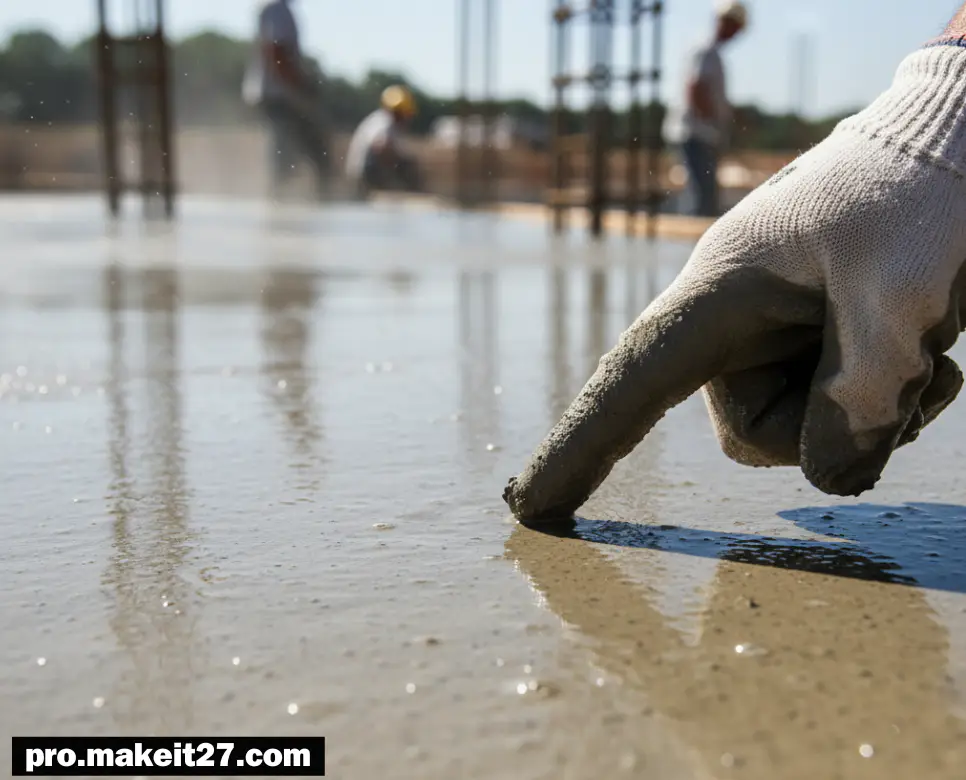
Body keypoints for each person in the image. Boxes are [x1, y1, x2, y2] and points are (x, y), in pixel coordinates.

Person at [504, 3, 966, 524]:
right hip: (702, 131)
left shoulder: (713, 54)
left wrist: (942, 123)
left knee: (700, 199)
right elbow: (696, 94)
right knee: (699, 193)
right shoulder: (705, 52)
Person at [665, 1, 748, 217]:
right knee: (701, 198)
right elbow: (695, 88)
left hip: (702, 134)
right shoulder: (706, 50)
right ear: (727, 23)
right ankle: (692, 247)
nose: (736, 34)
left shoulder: (711, 52)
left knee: (705, 195)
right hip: (697, 134)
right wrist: (714, 121)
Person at [243, 0, 331, 198]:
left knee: (291, 147)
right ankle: (280, 199)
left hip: (280, 93)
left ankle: (284, 196)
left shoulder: (278, 9)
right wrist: (300, 85)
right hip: (279, 94)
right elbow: (276, 52)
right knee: (292, 149)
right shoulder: (277, 10)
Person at [345, 86, 422, 199]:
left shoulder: (382, 120)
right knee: (404, 163)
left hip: (362, 173)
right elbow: (380, 146)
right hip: (364, 176)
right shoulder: (385, 121)